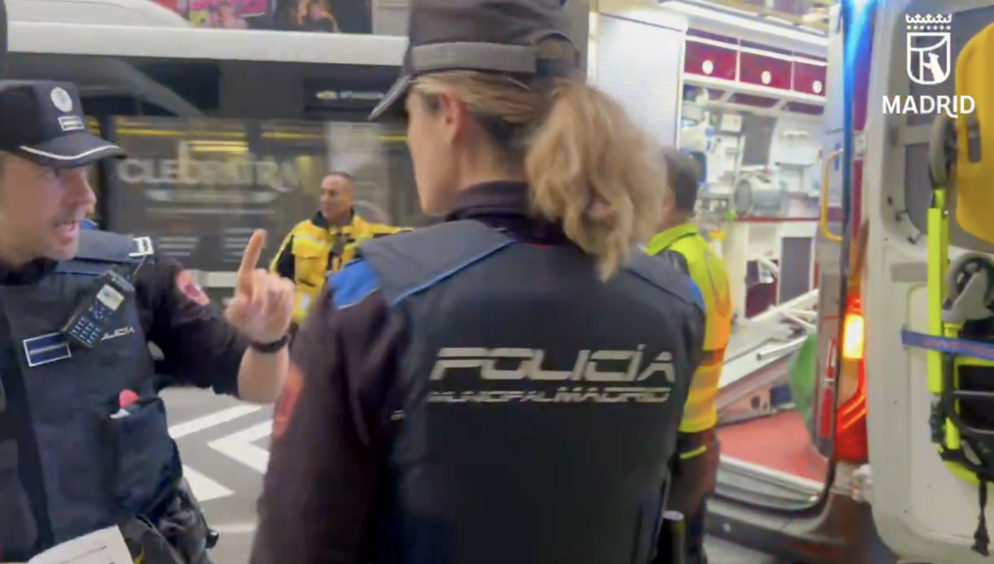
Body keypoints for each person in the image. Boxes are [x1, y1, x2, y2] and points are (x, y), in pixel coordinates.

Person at [252, 1, 707, 562]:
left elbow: (298, 542)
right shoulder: (675, 302)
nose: (409, 140)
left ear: (448, 113)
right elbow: (670, 490)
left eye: (408, 117)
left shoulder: (370, 300)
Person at [0, 80, 293, 564]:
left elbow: (256, 383)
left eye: (83, 170)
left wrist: (269, 339)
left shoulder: (133, 271)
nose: (85, 197)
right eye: (53, 173)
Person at [645, 149, 733, 564]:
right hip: (700, 432)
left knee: (665, 549)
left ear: (664, 201)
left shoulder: (668, 263)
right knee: (688, 547)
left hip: (672, 438)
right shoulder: (702, 254)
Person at [269, 171, 409, 331]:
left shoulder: (370, 235)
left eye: (333, 194)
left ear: (351, 198)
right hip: (303, 330)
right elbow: (276, 277)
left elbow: (413, 238)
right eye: (322, 193)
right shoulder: (301, 232)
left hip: (350, 330)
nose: (325, 199)